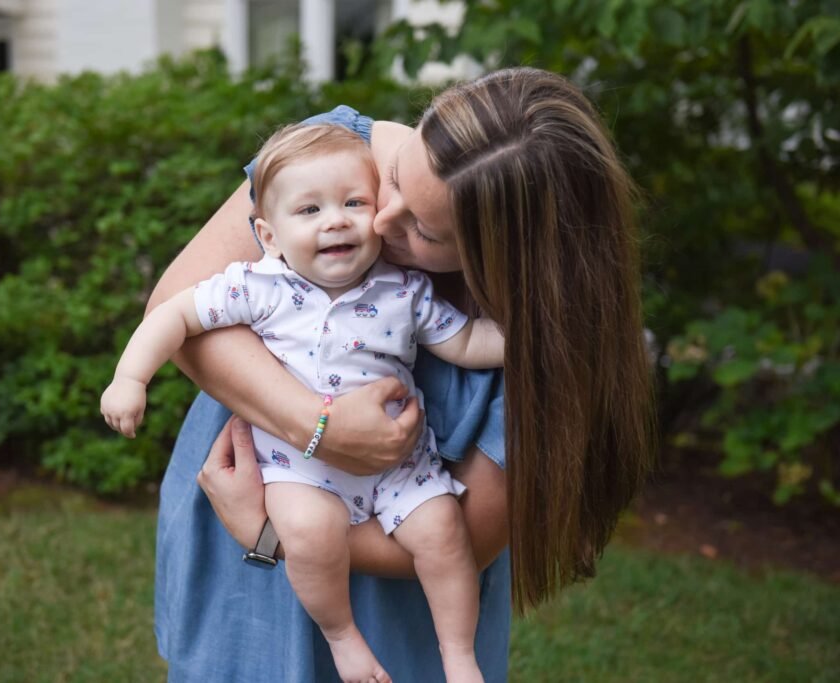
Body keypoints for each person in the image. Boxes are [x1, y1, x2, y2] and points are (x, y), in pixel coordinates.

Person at [147, 67, 653, 682]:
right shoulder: (325, 155)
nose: (381, 223)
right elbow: (176, 305)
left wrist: (267, 529)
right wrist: (321, 427)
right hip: (250, 551)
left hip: (393, 610)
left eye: (426, 231)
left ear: (502, 261)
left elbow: (465, 538)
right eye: (392, 180)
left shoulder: (533, 351)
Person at [102, 123, 505, 683]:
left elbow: (464, 342)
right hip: (302, 467)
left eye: (354, 202)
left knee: (443, 535)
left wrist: (525, 339)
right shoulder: (257, 286)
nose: (335, 219)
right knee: (311, 535)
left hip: (400, 466)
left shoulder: (403, 290)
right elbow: (174, 314)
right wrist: (129, 377)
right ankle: (343, 638)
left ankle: (459, 656)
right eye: (309, 210)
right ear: (268, 235)